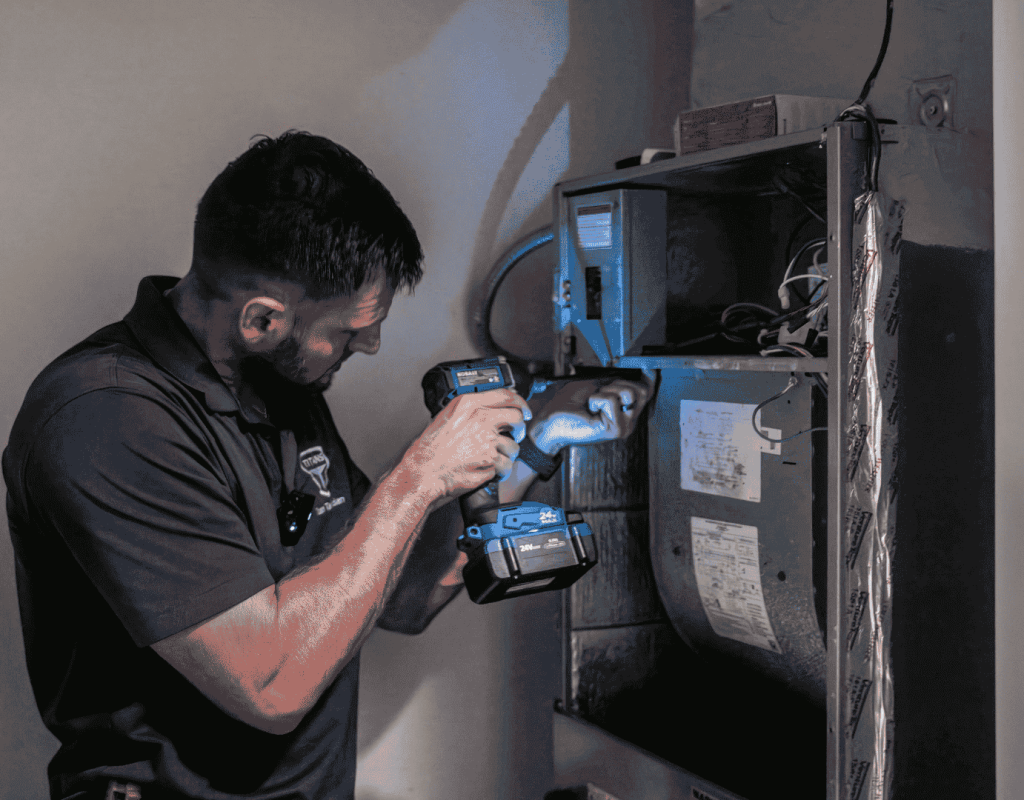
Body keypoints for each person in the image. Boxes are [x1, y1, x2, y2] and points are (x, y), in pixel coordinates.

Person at [3, 131, 651, 800]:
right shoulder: (105, 418)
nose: (370, 344)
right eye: (351, 328)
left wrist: (537, 439)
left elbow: (398, 592)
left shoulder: (279, 386)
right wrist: (420, 475)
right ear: (262, 319)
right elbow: (271, 683)